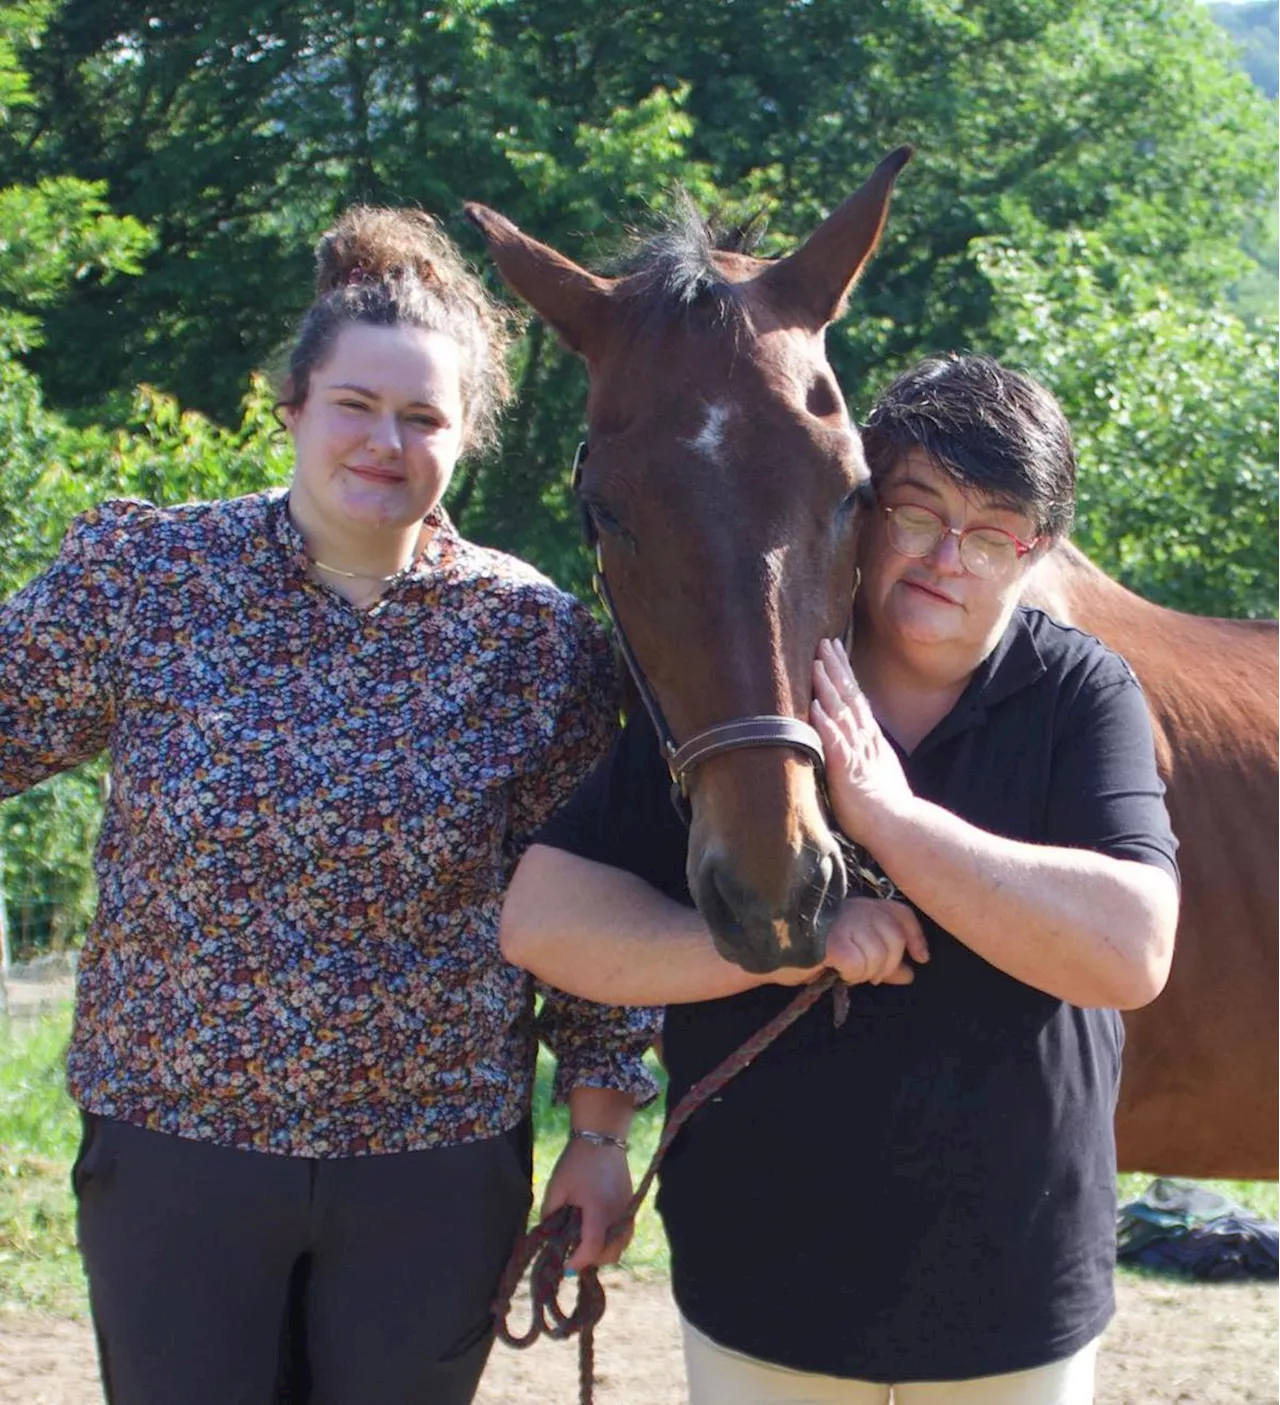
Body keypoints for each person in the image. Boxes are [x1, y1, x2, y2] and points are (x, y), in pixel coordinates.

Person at [0, 206, 658, 1404]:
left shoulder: (533, 639)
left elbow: (594, 914)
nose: (384, 441)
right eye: (355, 404)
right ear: (293, 407)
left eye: (423, 418)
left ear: (466, 442)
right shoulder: (149, 581)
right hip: (173, 1149)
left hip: (434, 1167)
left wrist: (601, 1137)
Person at [499, 355, 1181, 1403]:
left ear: (1032, 550)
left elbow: (1129, 950)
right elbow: (542, 919)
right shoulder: (754, 679)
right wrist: (783, 944)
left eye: (991, 530)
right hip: (762, 1287)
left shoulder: (1079, 693)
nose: (948, 558)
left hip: (1009, 1295)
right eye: (919, 513)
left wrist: (889, 818)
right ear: (859, 511)